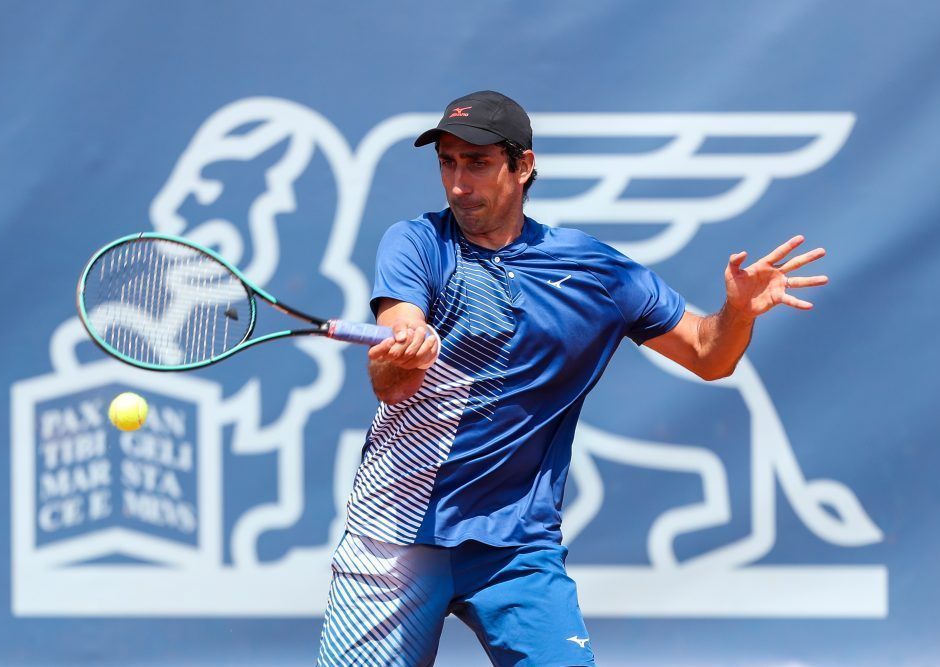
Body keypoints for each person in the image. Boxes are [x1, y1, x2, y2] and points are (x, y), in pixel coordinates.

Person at [316, 90, 827, 666]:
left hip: (516, 546)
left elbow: (711, 356)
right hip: (397, 536)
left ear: (523, 166)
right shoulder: (415, 242)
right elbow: (389, 377)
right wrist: (403, 352)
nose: (459, 183)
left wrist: (736, 313)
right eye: (447, 163)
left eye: (477, 163)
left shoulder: (595, 273)